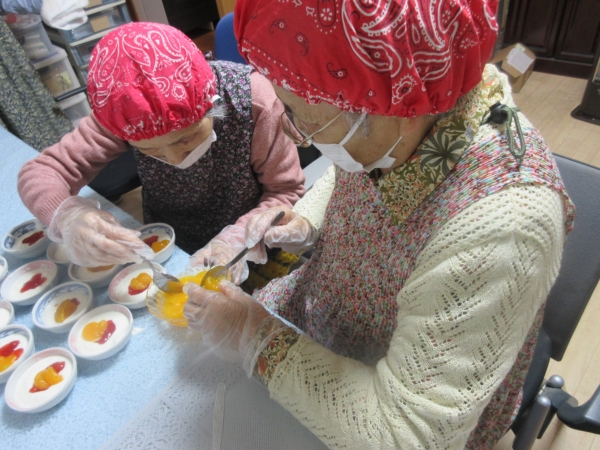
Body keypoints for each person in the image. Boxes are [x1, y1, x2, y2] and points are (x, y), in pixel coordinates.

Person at [182, 0, 576, 448]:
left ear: (396, 111)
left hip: (390, 408)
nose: (299, 134)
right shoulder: (411, 104)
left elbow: (407, 433)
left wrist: (253, 334)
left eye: (306, 121)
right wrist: (307, 219)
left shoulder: (506, 226)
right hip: (329, 310)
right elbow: (350, 168)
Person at [18, 22, 305, 280]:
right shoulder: (123, 113)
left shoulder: (252, 102)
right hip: (169, 238)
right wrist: (67, 216)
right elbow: (41, 172)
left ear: (212, 105)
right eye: (151, 150)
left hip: (250, 233)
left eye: (185, 139)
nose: (175, 159)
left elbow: (286, 190)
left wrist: (237, 238)